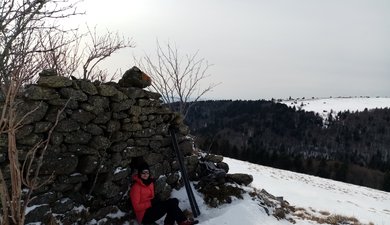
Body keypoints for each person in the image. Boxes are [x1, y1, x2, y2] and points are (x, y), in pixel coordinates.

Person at [130, 162, 199, 225]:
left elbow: (151, 197)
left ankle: (181, 222)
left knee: (174, 201)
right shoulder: (136, 187)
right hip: (144, 215)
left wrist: (156, 200)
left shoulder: (150, 183)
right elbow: (136, 207)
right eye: (143, 173)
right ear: (139, 173)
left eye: (147, 172)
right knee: (171, 204)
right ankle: (182, 222)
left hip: (151, 208)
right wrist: (150, 203)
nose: (145, 174)